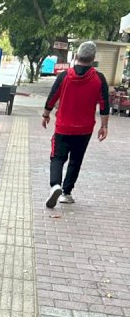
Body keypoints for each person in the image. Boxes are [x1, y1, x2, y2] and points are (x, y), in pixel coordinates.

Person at [43, 40, 109, 208]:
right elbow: (104, 104)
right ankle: (66, 193)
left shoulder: (64, 76)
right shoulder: (99, 78)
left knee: (57, 157)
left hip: (63, 127)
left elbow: (52, 96)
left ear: (77, 56)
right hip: (84, 129)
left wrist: (46, 115)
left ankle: (55, 185)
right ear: (93, 58)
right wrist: (104, 126)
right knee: (76, 160)